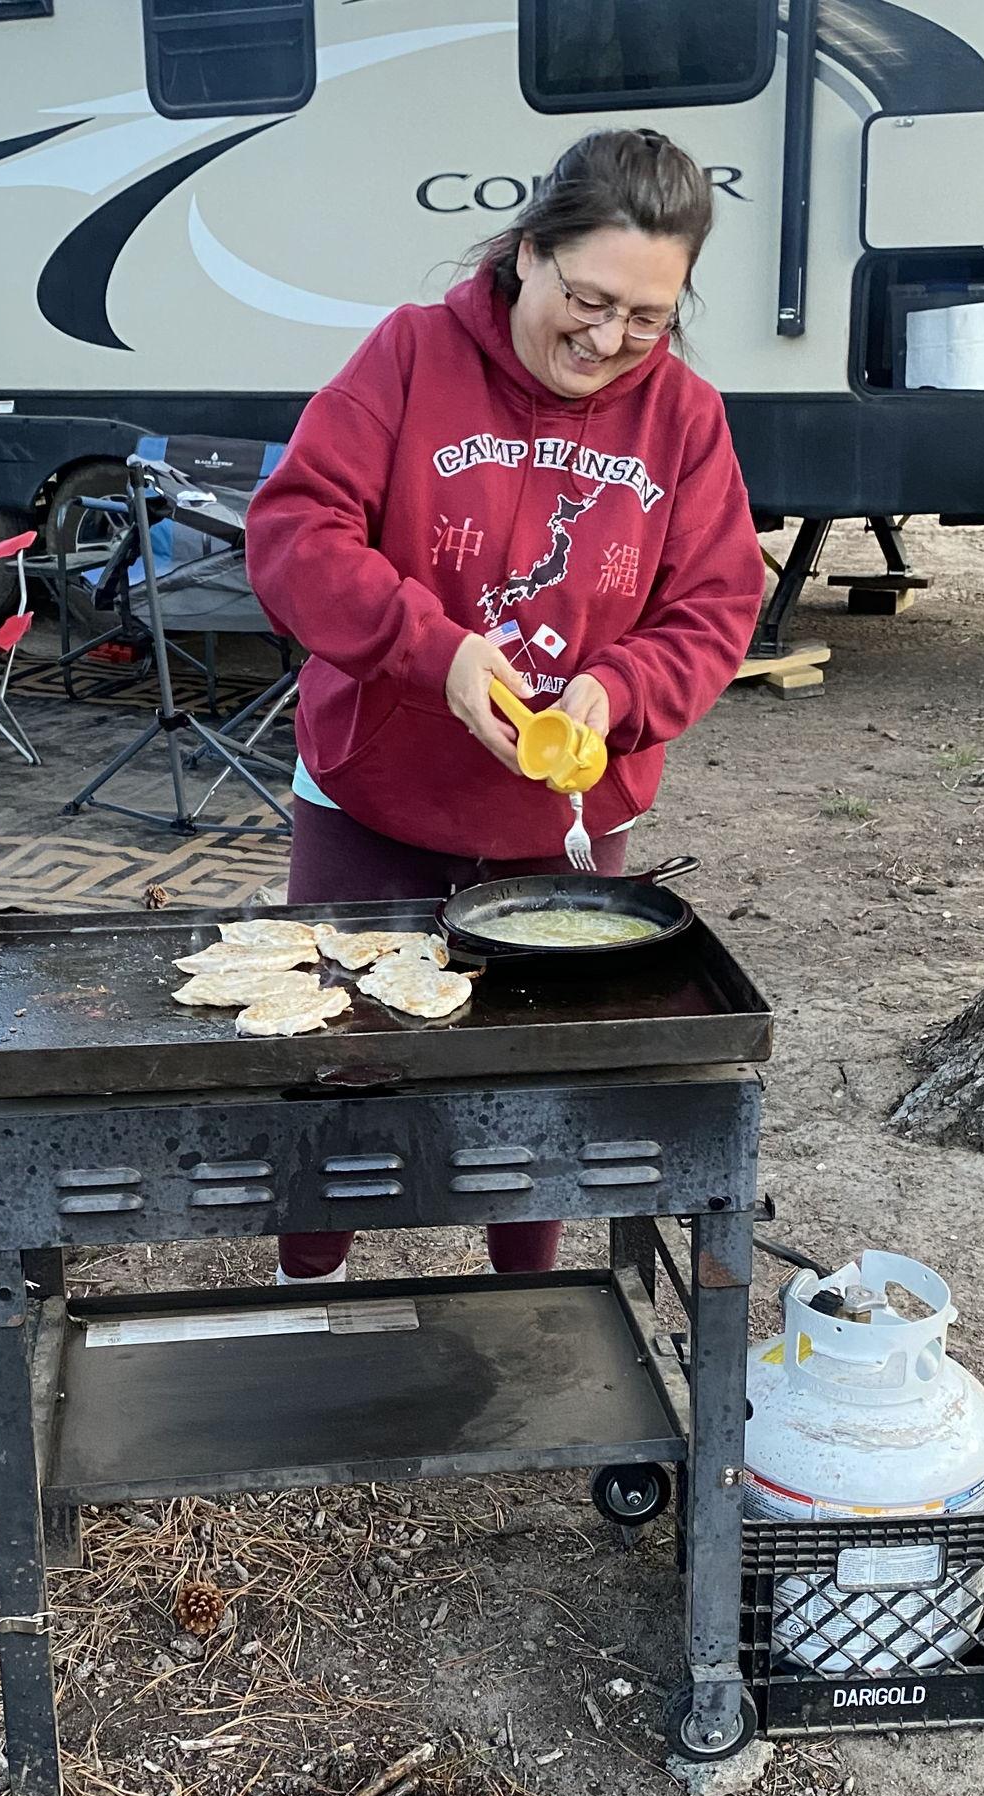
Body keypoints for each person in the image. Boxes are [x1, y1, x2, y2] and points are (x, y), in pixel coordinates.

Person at [243, 126, 765, 1282]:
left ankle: (526, 1295)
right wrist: (432, 652)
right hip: (373, 787)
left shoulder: (682, 416)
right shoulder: (411, 356)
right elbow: (293, 533)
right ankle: (308, 1276)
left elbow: (718, 601)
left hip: (556, 816)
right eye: (587, 297)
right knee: (338, 1045)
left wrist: (617, 685)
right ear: (526, 253)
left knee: (534, 1062)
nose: (610, 337)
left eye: (647, 316)